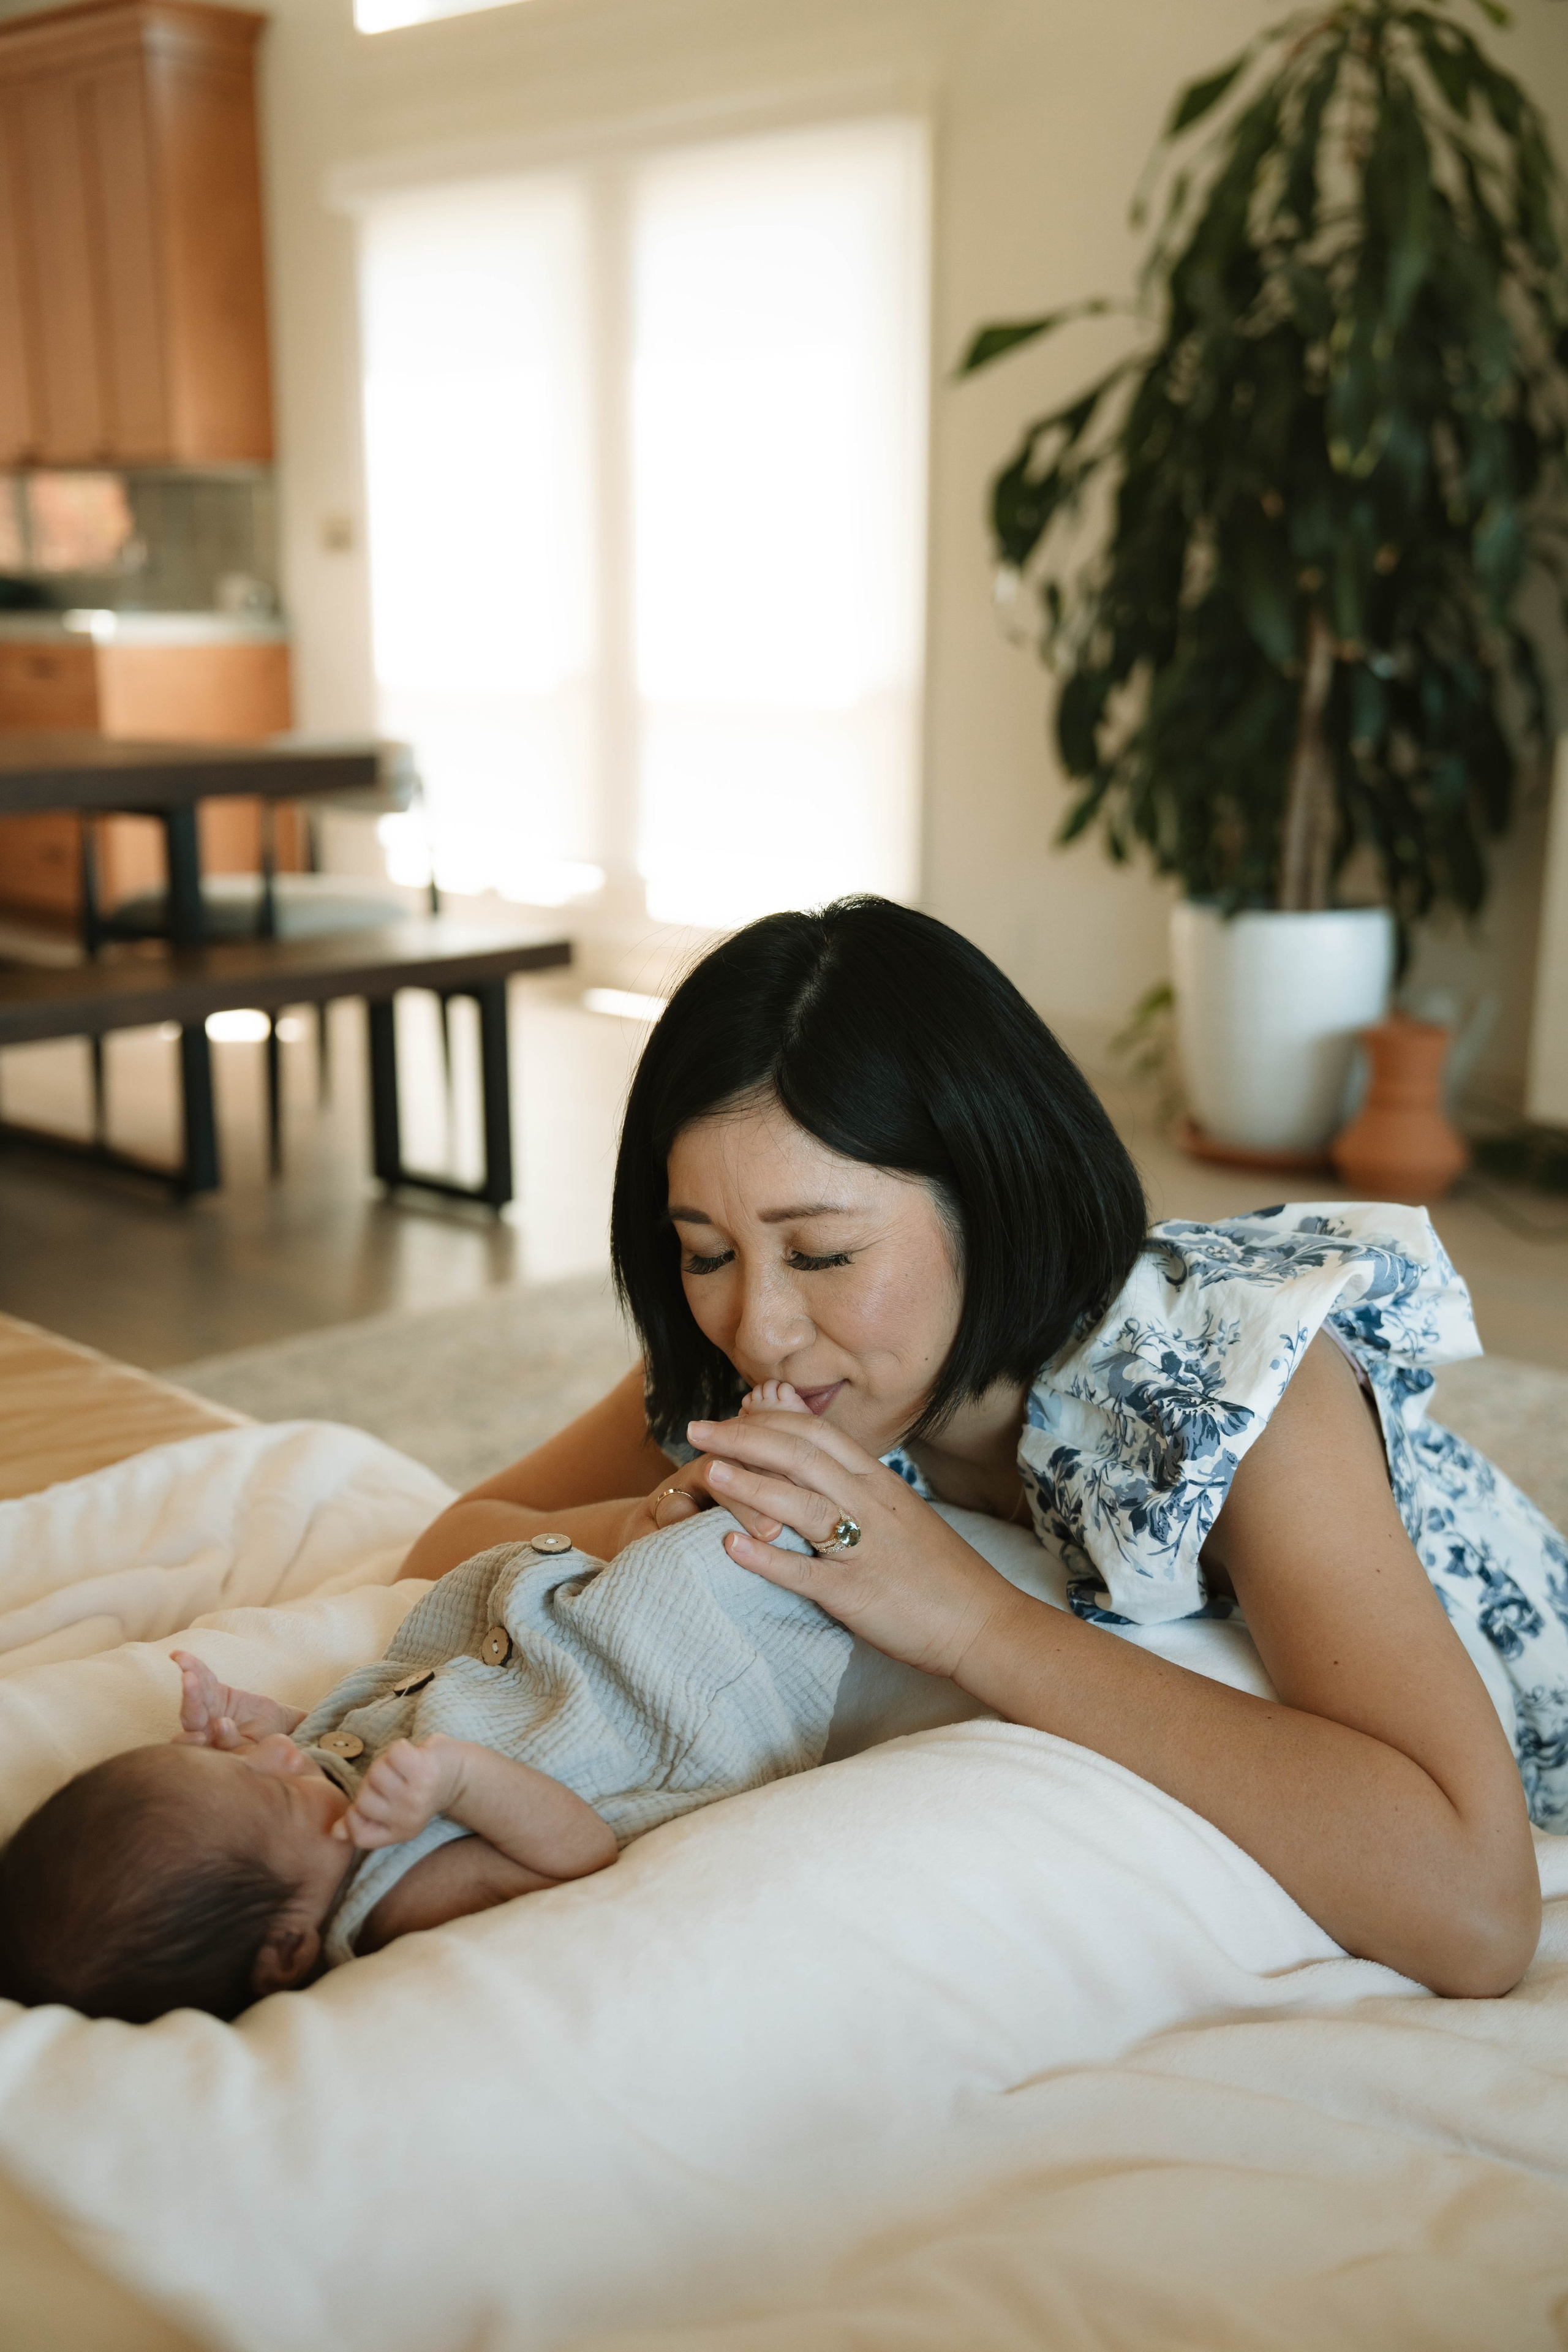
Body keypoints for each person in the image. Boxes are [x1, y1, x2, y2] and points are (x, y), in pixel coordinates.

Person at [401, 894, 1565, 1999]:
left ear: (993, 1198)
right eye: (706, 1252)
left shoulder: (1231, 1386)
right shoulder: (748, 1371)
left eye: (822, 1255)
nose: (756, 1322)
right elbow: (450, 1541)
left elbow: (1475, 1910)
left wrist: (973, 1620)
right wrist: (655, 1517)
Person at [0, 1477, 850, 2024]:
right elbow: (571, 1853)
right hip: (660, 1697)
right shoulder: (398, 1903)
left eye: (237, 1761)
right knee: (740, 1541)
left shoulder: (312, 1837)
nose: (285, 1760)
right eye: (272, 1792)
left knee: (694, 1519)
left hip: (550, 1652)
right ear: (289, 1949)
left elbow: (347, 1743)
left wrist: (255, 1719)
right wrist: (461, 1778)